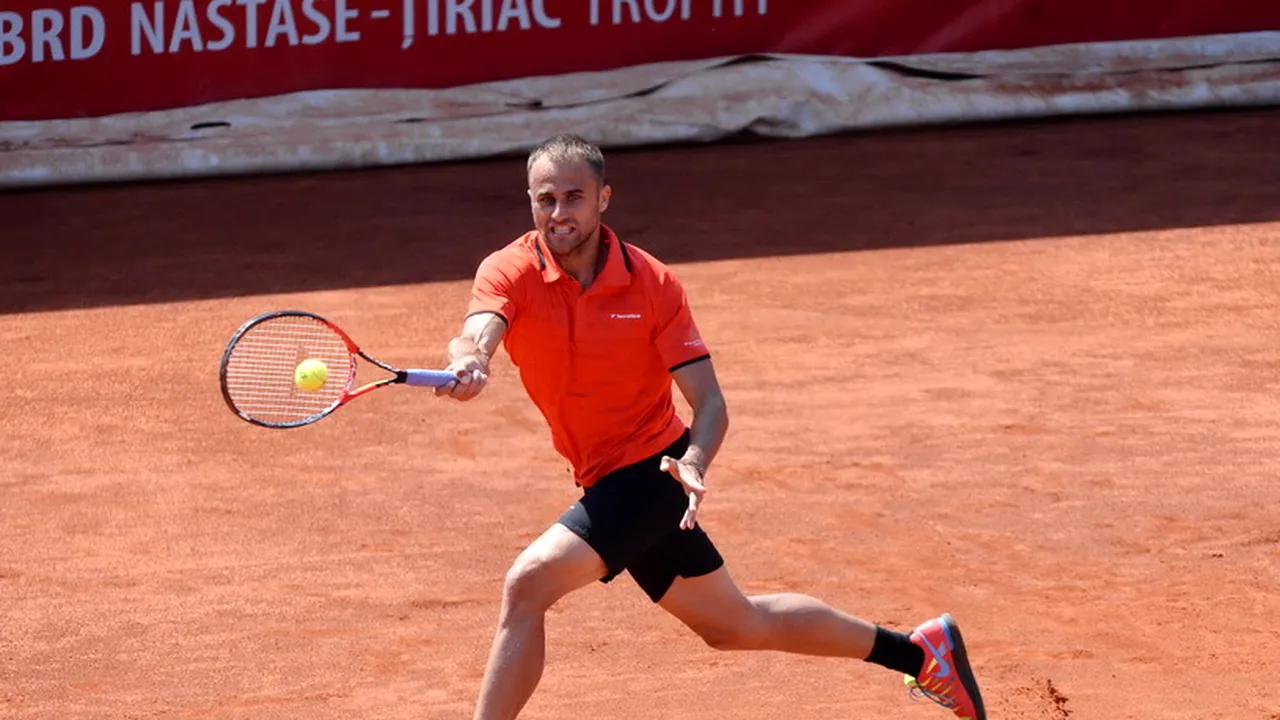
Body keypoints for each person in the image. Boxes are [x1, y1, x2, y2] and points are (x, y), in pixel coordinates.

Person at [433, 133, 986, 720]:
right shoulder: (508, 270)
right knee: (733, 623)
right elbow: (478, 330)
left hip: (656, 468)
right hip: (602, 475)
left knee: (528, 584)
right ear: (530, 200)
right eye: (546, 199)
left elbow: (711, 402)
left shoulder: (652, 284)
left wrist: (694, 461)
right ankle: (921, 655)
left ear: (603, 199)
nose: (559, 213)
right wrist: (472, 359)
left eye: (574, 197)